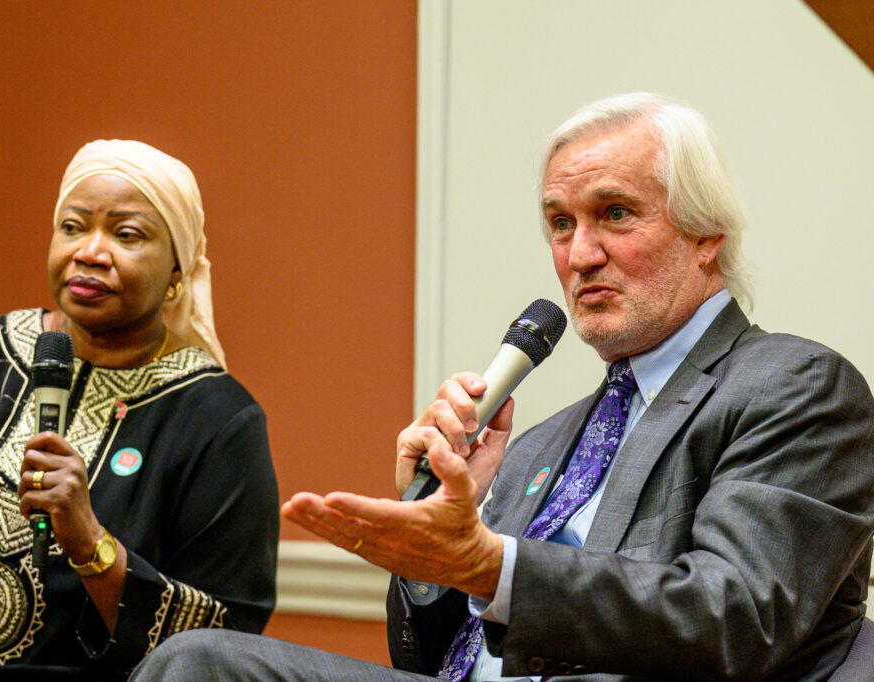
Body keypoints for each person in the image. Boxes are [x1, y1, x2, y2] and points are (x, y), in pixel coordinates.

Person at [130, 93, 874, 681]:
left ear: (706, 234)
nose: (580, 254)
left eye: (614, 214)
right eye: (559, 223)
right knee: (197, 665)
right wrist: (436, 523)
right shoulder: (543, 443)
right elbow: (425, 662)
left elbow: (737, 616)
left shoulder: (795, 385)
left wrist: (491, 564)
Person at [0, 140, 279, 681]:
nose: (90, 252)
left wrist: (90, 544)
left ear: (178, 269)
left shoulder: (218, 420)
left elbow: (223, 649)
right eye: (73, 227)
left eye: (126, 235)